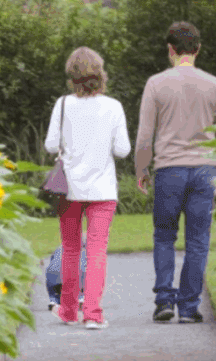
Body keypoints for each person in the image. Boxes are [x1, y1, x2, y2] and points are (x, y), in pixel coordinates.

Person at [135, 21, 216, 324]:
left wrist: (141, 170)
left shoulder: (156, 83)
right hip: (206, 171)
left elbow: (144, 136)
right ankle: (189, 306)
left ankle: (164, 301)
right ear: (198, 49)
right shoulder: (214, 84)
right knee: (198, 240)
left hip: (169, 170)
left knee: (164, 236)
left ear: (170, 50)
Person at [44, 47, 131, 330]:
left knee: (71, 250)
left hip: (69, 189)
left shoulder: (63, 104)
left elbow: (49, 145)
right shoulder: (113, 106)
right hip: (103, 190)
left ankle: (68, 311)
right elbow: (122, 149)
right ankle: (93, 314)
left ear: (72, 75)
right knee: (96, 251)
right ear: (100, 74)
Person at [45, 237, 87, 314]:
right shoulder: (84, 251)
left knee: (52, 273)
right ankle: (81, 297)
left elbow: (51, 262)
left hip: (54, 278)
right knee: (85, 273)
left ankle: (53, 300)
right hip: (74, 279)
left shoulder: (59, 249)